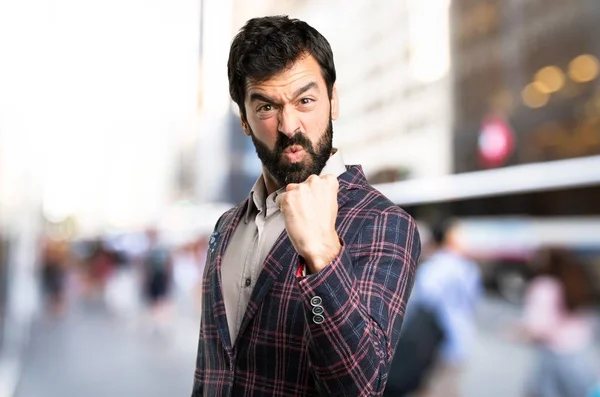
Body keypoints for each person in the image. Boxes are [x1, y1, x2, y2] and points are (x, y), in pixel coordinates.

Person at [191, 15, 421, 397]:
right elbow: (212, 369)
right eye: (266, 107)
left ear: (333, 101)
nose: (289, 125)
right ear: (245, 120)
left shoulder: (382, 223)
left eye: (306, 100)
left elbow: (359, 387)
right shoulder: (227, 226)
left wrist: (322, 255)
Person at [385, 219, 482, 397]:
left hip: (434, 342)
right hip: (452, 339)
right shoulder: (466, 267)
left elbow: (422, 301)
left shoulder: (435, 265)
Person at [517, 247, 598, 397]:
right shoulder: (577, 281)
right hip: (580, 356)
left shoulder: (543, 286)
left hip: (553, 357)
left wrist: (516, 332)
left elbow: (537, 327)